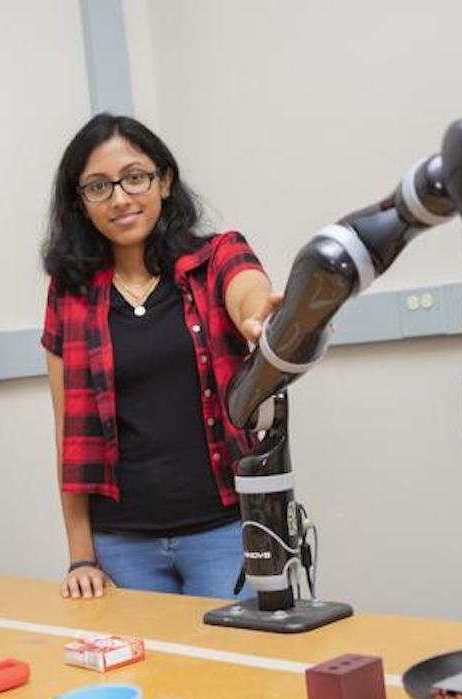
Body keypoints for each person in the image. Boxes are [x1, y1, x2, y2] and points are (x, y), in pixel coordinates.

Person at [40, 113, 281, 601]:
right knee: (152, 675)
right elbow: (68, 432)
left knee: (232, 674)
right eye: (98, 187)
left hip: (224, 531)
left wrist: (262, 316)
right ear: (80, 203)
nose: (121, 198)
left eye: (135, 177)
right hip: (121, 544)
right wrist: (81, 554)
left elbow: (247, 289)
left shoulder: (215, 258)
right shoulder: (71, 293)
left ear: (164, 181)